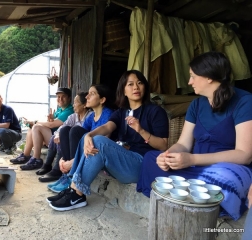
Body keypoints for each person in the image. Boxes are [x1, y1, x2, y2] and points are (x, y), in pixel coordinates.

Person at [136, 52, 252, 221]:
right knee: (150, 159)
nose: (189, 82)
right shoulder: (196, 104)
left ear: (209, 77)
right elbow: (183, 143)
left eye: (192, 76)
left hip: (227, 167)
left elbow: (244, 154)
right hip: (194, 165)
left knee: (224, 180)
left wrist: (192, 160)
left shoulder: (245, 102)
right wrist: (168, 155)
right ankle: (193, 196)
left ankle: (189, 196)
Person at [47, 70, 169, 211]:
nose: (136, 87)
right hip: (122, 163)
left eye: (139, 83)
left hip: (141, 164)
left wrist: (141, 130)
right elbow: (107, 127)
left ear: (144, 87)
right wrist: (88, 135)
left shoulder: (155, 112)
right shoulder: (121, 112)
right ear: (124, 90)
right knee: (87, 138)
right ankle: (73, 188)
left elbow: (163, 145)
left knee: (98, 141)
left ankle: (77, 193)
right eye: (130, 84)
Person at [40, 84, 114, 189]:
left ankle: (73, 175)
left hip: (97, 151)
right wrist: (64, 159)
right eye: (88, 94)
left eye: (91, 94)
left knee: (75, 130)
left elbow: (104, 142)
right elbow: (78, 138)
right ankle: (67, 175)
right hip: (88, 148)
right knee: (65, 129)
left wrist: (73, 161)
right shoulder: (92, 116)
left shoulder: (108, 114)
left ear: (102, 100)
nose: (87, 97)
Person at [10, 87, 73, 170]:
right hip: (53, 138)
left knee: (36, 126)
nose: (60, 99)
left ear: (69, 98)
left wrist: (35, 122)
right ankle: (26, 155)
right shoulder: (60, 110)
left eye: (63, 96)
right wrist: (49, 119)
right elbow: (51, 123)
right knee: (32, 128)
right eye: (58, 97)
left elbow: (51, 125)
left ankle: (36, 159)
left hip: (59, 142)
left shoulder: (69, 111)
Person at [36, 92, 92, 183]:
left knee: (73, 131)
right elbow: (62, 127)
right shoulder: (73, 116)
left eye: (76, 102)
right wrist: (58, 135)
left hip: (83, 147)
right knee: (62, 132)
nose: (73, 105)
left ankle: (58, 170)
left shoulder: (90, 116)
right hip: (71, 148)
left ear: (84, 105)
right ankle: (55, 167)